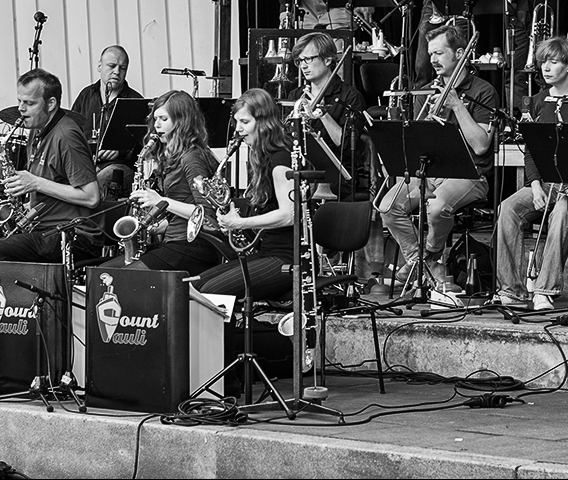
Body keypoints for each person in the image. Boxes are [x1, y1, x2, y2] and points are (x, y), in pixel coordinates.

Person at [377, 20, 497, 293]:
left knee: (438, 206)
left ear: (458, 54)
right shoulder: (429, 89)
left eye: (438, 53)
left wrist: (456, 105)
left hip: (469, 173)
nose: (432, 59)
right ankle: (425, 264)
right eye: (430, 53)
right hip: (431, 171)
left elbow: (480, 146)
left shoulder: (483, 91)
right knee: (387, 206)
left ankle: (428, 256)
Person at [492, 38, 568, 310]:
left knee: (564, 206)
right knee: (507, 208)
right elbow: (532, 151)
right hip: (547, 182)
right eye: (543, 61)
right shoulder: (537, 102)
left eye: (553, 62)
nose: (545, 68)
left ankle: (544, 291)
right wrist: (534, 186)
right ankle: (511, 290)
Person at [0, 69, 102, 264]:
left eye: (29, 103)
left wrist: (35, 183)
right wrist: (28, 206)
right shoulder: (36, 131)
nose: (20, 108)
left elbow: (92, 196)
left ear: (51, 103)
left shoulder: (66, 136)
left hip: (72, 235)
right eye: (20, 101)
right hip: (47, 229)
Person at [195, 89, 296, 300]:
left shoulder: (280, 159)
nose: (238, 129)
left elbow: (289, 215)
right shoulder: (262, 156)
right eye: (236, 122)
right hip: (268, 252)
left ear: (264, 121)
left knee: (209, 291)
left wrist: (240, 223)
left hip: (288, 258)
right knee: (196, 285)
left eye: (245, 122)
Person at [118, 90, 224, 275]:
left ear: (181, 121)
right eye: (155, 119)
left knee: (123, 277)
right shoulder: (175, 156)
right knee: (106, 271)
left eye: (163, 119)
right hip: (175, 242)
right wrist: (152, 227)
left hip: (194, 247)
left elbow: (207, 215)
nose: (156, 125)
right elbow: (184, 209)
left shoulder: (192, 158)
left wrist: (161, 202)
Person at [288, 32, 366, 199]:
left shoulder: (349, 96)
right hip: (301, 171)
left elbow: (346, 145)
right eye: (300, 61)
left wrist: (323, 114)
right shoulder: (296, 95)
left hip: (337, 178)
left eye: (308, 59)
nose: (303, 66)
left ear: (328, 60)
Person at [70, 45, 143, 198]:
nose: (117, 71)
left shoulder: (135, 101)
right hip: (87, 165)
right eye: (112, 66)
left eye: (122, 68)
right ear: (99, 66)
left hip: (120, 167)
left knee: (96, 185)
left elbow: (144, 144)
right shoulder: (85, 95)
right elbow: (71, 133)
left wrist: (120, 151)